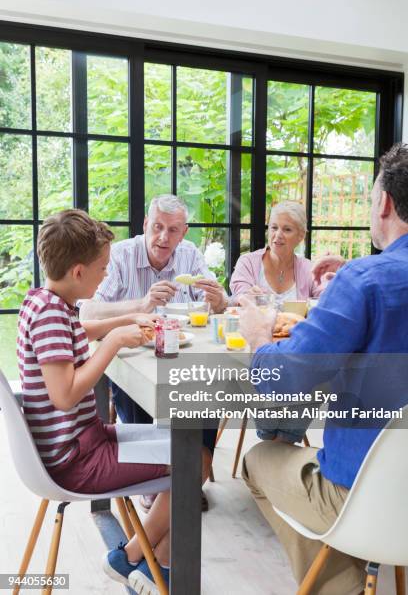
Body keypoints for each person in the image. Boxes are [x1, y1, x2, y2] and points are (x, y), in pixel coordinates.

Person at [238, 143, 408, 594]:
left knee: (257, 460)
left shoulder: (365, 281)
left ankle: (342, 587)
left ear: (385, 202)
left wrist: (258, 337)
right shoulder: (365, 277)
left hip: (365, 498)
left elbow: (284, 380)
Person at [17, 208, 188, 593]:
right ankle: (144, 561)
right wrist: (112, 343)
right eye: (102, 268)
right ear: (78, 272)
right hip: (73, 460)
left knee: (189, 448)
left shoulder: (45, 301)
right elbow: (64, 395)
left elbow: (80, 329)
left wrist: (121, 325)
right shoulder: (49, 316)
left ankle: (143, 559)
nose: (107, 274)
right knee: (194, 463)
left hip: (81, 441)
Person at [80, 194, 226, 509]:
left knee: (212, 389)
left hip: (183, 353)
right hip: (133, 357)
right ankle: (151, 477)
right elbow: (87, 314)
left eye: (173, 230)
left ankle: (190, 476)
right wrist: (142, 304)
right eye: (157, 227)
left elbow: (220, 302)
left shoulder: (189, 255)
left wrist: (218, 301)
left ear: (184, 232)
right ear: (146, 224)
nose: (163, 237)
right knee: (138, 391)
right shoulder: (119, 256)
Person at [230, 200, 344, 306]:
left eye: (287, 229)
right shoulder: (247, 262)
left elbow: (326, 302)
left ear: (301, 236)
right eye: (274, 227)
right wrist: (247, 297)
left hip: (296, 327)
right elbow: (239, 297)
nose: (278, 235)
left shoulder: (309, 269)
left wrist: (336, 279)